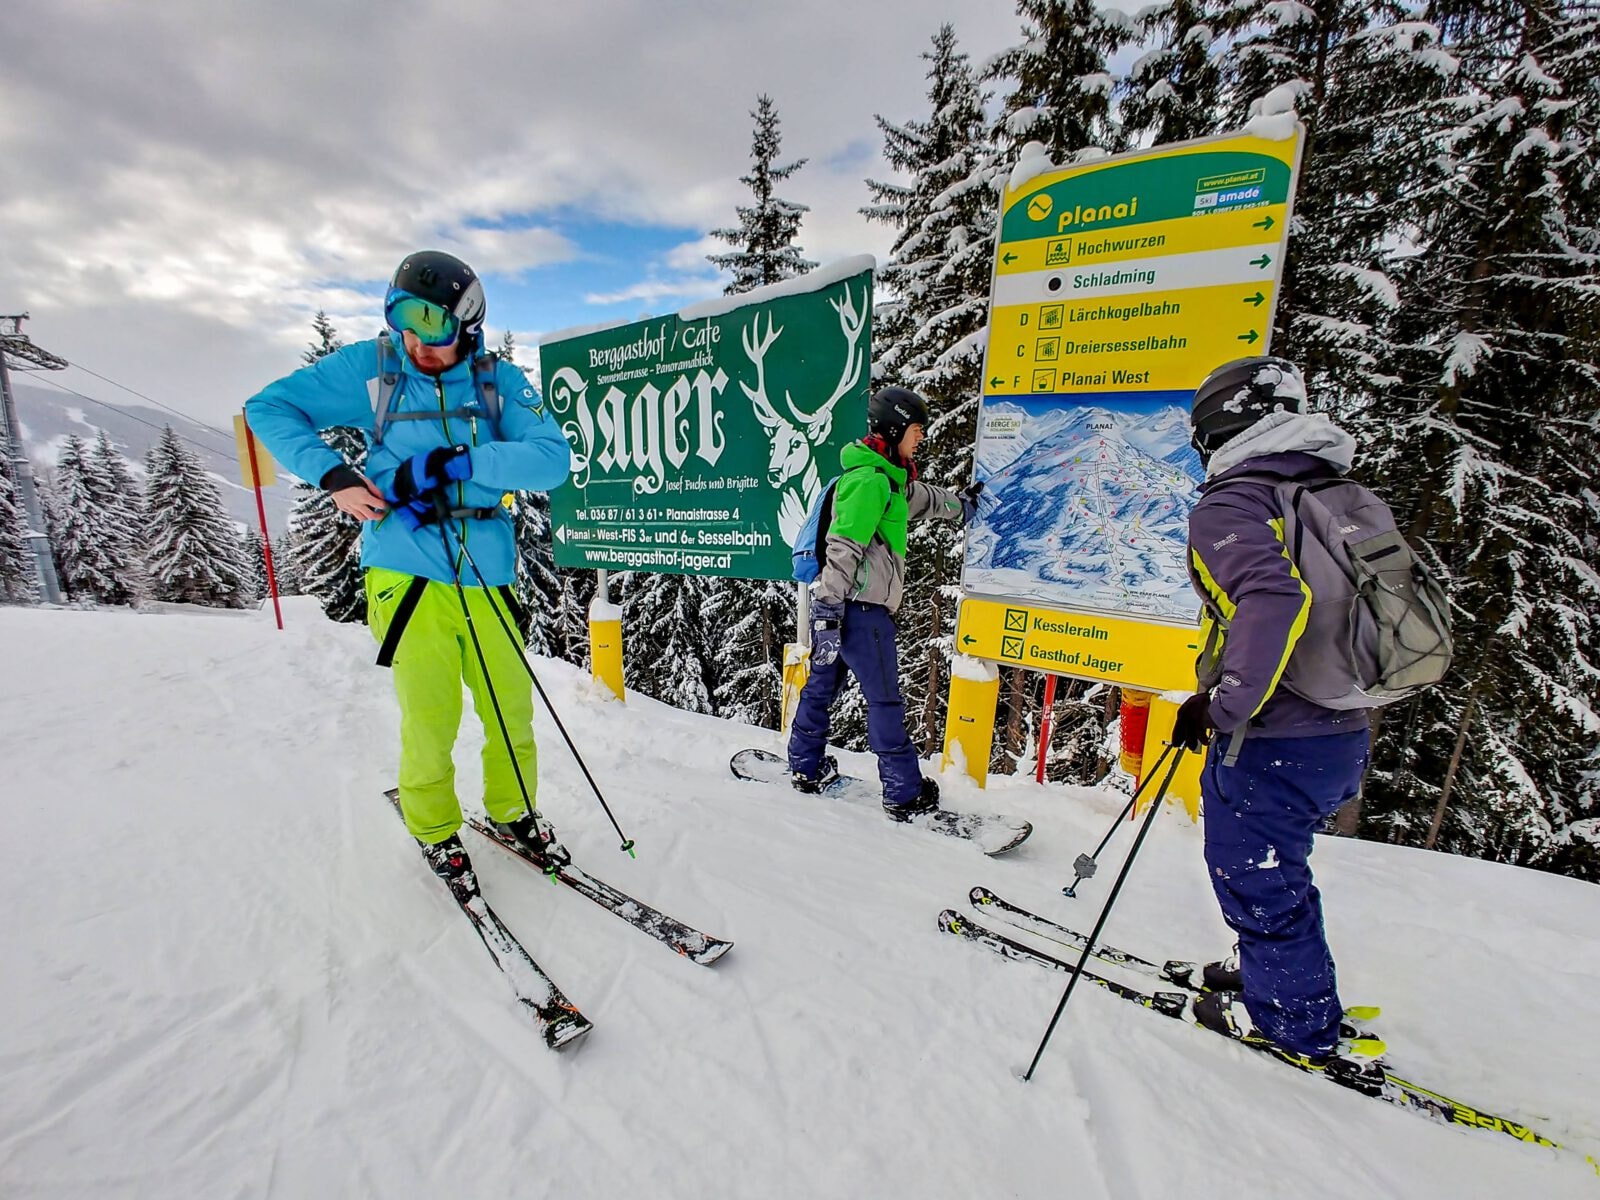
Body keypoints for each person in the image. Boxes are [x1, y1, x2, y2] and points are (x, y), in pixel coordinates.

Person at [245, 251, 571, 900]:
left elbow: (549, 460)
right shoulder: (378, 371)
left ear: (468, 323)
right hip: (404, 566)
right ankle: (434, 826)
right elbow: (269, 407)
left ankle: (512, 815)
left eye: (432, 323)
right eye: (403, 320)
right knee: (432, 714)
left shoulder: (497, 383)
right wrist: (332, 475)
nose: (417, 340)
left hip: (488, 573)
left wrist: (460, 463)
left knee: (510, 708)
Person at [1169, 355, 1380, 1087]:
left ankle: (1292, 1024)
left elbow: (1272, 600)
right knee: (1278, 873)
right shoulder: (1327, 492)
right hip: (1341, 725)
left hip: (1274, 733)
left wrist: (1221, 704)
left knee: (1253, 874)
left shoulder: (1233, 504)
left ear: (1224, 425)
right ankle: (1284, 980)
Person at [787, 386, 983, 818]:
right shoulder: (869, 482)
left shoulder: (889, 481)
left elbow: (926, 499)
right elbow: (843, 546)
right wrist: (828, 609)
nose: (921, 439)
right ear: (895, 429)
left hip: (842, 611)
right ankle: (903, 791)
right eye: (916, 430)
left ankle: (805, 765)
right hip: (857, 612)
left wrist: (961, 506)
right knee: (884, 700)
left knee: (820, 690)